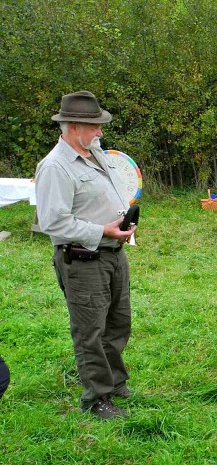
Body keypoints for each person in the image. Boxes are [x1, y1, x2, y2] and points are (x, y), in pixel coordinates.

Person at [34, 90, 136, 419]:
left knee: (118, 324)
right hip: (82, 259)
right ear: (75, 127)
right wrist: (102, 230)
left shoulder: (94, 153)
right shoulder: (55, 167)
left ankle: (116, 382)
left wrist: (120, 224)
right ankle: (97, 398)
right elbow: (53, 222)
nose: (100, 133)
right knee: (90, 331)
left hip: (112, 253)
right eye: (95, 127)